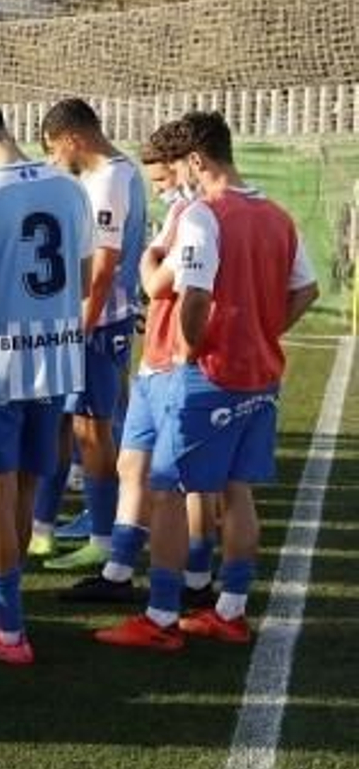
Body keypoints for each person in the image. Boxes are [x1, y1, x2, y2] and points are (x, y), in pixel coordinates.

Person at [96, 111, 319, 650]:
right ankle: (230, 609)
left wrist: (191, 348)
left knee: (168, 491)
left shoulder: (204, 214)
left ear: (196, 160)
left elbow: (193, 295)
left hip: (207, 376)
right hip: (259, 375)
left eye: (180, 167)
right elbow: (307, 289)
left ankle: (161, 617)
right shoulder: (277, 215)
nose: (179, 177)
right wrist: (264, 332)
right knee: (236, 490)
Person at [0, 102, 92, 666]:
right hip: (56, 363)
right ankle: (0, 608)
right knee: (25, 493)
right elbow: (82, 279)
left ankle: (9, 633)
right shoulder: (71, 188)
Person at [63, 124, 218, 606]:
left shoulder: (202, 214)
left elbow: (157, 281)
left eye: (162, 179)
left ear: (188, 164)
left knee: (188, 479)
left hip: (179, 361)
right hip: (155, 357)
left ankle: (196, 580)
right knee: (134, 463)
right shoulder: (182, 210)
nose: (158, 189)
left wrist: (151, 264)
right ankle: (118, 570)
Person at [31, 99, 148, 572]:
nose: (54, 159)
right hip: (84, 321)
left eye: (54, 148)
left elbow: (102, 269)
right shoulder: (106, 176)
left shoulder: (111, 179)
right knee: (61, 423)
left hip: (98, 325)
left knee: (91, 428)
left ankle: (102, 536)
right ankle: (40, 530)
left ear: (73, 138)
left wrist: (81, 325)